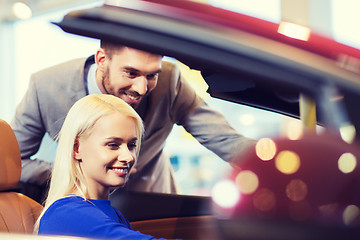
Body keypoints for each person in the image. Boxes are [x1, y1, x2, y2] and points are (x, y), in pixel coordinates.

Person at [11, 40, 255, 201]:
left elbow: (224, 138)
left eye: (151, 75)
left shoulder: (171, 82)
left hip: (151, 201)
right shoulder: (45, 87)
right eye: (131, 73)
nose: (141, 88)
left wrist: (270, 164)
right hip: (82, 205)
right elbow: (13, 163)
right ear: (101, 60)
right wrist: (79, 172)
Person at [34, 94, 177, 239]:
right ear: (76, 149)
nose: (128, 157)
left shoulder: (109, 212)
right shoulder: (68, 213)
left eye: (131, 145)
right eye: (113, 145)